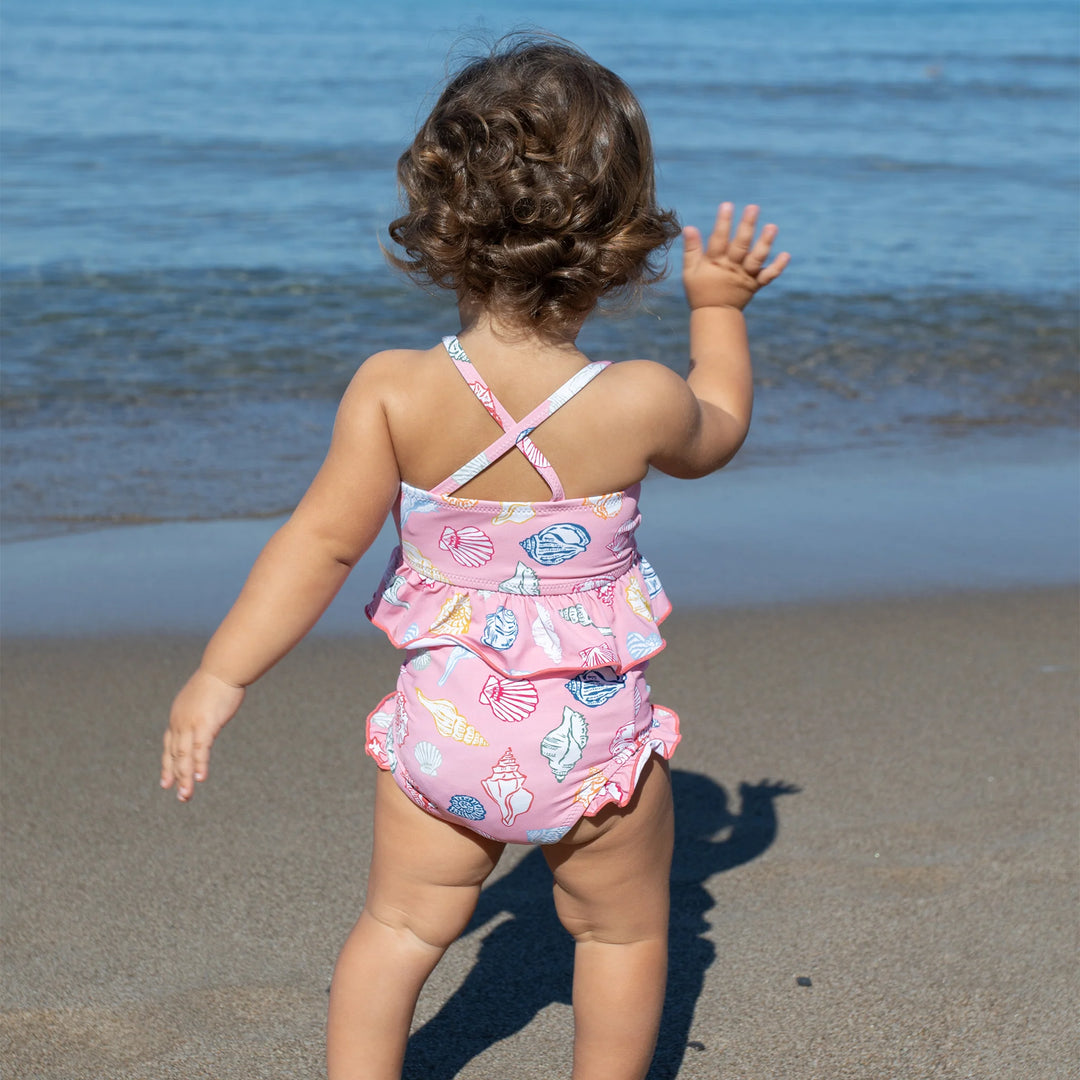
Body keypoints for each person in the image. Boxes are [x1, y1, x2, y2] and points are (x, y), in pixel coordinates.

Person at [160, 34, 788, 1080]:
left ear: (441, 217)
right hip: (590, 745)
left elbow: (317, 544)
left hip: (442, 735)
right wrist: (717, 308)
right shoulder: (635, 402)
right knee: (621, 936)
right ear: (620, 236)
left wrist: (219, 676)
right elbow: (718, 430)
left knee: (400, 932)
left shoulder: (394, 391)